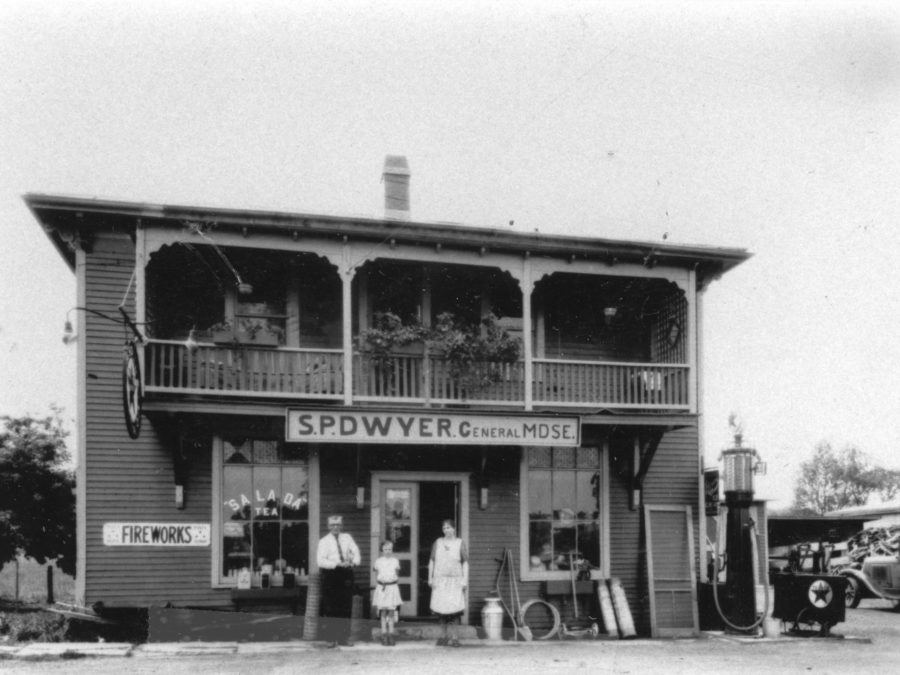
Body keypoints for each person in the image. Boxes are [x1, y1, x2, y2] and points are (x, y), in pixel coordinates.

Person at [316, 514, 361, 646]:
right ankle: (331, 638)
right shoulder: (323, 541)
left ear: (341, 525)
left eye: (338, 525)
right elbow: (320, 561)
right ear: (328, 526)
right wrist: (336, 564)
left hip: (346, 575)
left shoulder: (347, 538)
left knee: (345, 606)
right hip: (331, 575)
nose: (335, 527)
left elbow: (356, 552)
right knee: (331, 607)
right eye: (333, 525)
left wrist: (353, 563)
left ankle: (343, 638)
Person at [428, 519, 468, 647]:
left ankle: (455, 638)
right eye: (444, 528)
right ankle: (443, 637)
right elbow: (432, 561)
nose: (447, 530)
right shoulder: (438, 543)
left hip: (455, 581)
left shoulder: (460, 543)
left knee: (454, 610)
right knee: (441, 611)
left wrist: (464, 580)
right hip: (440, 580)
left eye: (449, 527)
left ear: (454, 529)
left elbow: (465, 562)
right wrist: (430, 578)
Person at [372, 540, 402, 646]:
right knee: (383, 612)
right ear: (382, 550)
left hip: (392, 587)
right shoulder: (378, 561)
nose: (388, 551)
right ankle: (384, 634)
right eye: (385, 549)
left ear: (392, 549)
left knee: (391, 612)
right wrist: (381, 583)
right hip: (382, 588)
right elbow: (377, 574)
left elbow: (396, 574)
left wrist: (391, 582)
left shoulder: (395, 561)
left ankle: (391, 634)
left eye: (389, 549)